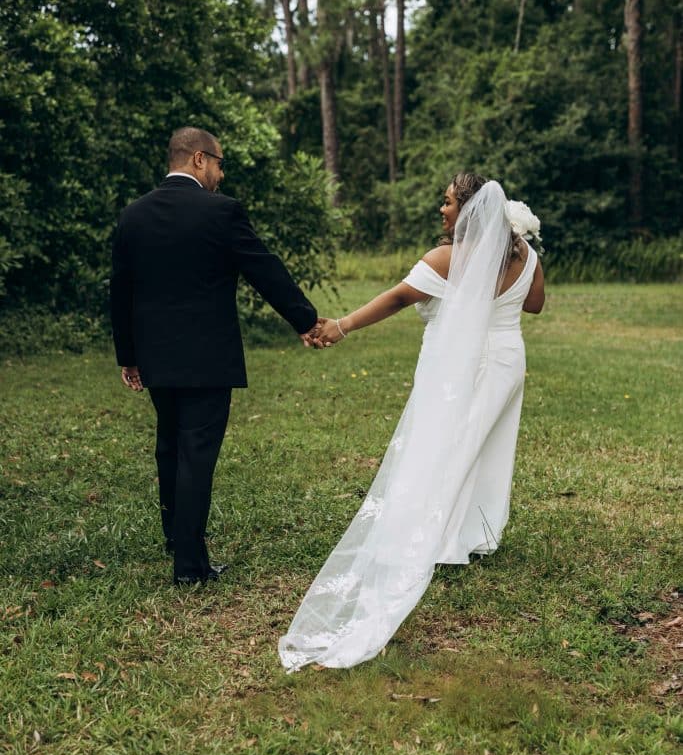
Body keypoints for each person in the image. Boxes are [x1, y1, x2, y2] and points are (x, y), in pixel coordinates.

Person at [279, 174, 545, 671]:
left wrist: (339, 326)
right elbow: (533, 304)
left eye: (446, 203)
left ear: (468, 210)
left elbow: (399, 297)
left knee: (442, 446)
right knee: (483, 446)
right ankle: (472, 533)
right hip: (507, 359)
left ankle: (440, 537)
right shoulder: (526, 256)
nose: (440, 211)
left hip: (465, 363)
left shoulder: (447, 259)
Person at [110, 126, 320, 586]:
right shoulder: (222, 213)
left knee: (170, 446)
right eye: (221, 164)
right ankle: (190, 566)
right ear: (200, 159)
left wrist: (129, 356)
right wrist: (305, 319)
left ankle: (175, 538)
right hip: (208, 359)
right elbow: (264, 268)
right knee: (196, 454)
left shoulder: (133, 215)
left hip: (156, 359)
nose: (221, 175)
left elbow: (120, 292)